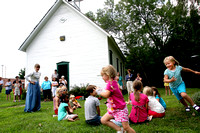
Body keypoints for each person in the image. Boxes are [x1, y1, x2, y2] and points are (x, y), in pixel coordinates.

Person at [97, 65, 136, 133]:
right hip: (114, 109)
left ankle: (122, 130)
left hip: (120, 109)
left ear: (108, 75)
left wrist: (99, 92)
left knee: (126, 127)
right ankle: (120, 130)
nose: (102, 78)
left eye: (103, 75)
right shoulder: (113, 82)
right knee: (103, 120)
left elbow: (106, 95)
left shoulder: (111, 83)